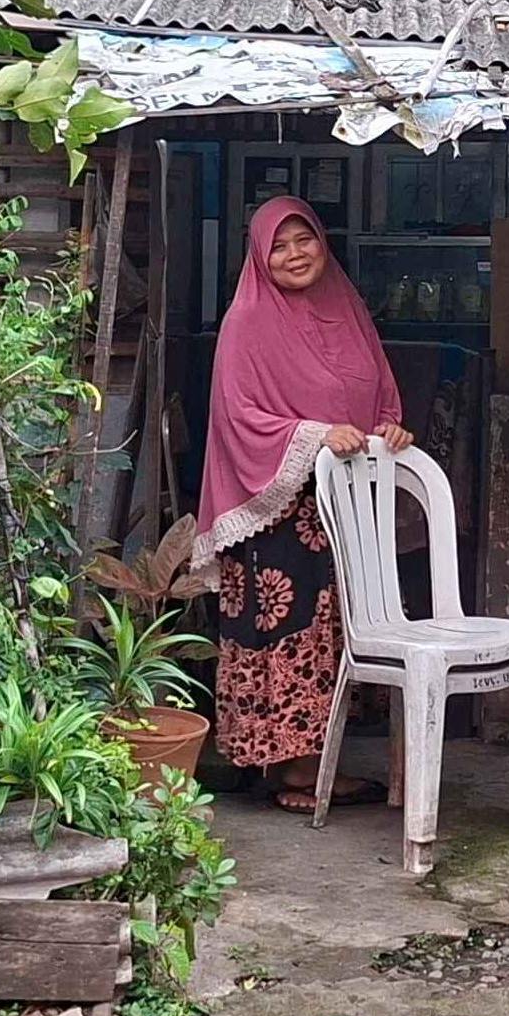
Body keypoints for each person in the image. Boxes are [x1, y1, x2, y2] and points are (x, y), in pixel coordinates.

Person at [196, 196, 416, 809]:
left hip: (340, 512)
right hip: (276, 514)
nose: (295, 255)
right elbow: (238, 415)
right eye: (279, 246)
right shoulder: (247, 323)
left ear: (324, 242)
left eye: (305, 241)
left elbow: (375, 394)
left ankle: (312, 767)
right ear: (260, 258)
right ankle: (290, 770)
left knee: (331, 639)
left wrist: (390, 428)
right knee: (289, 635)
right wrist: (314, 434)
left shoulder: (347, 309)